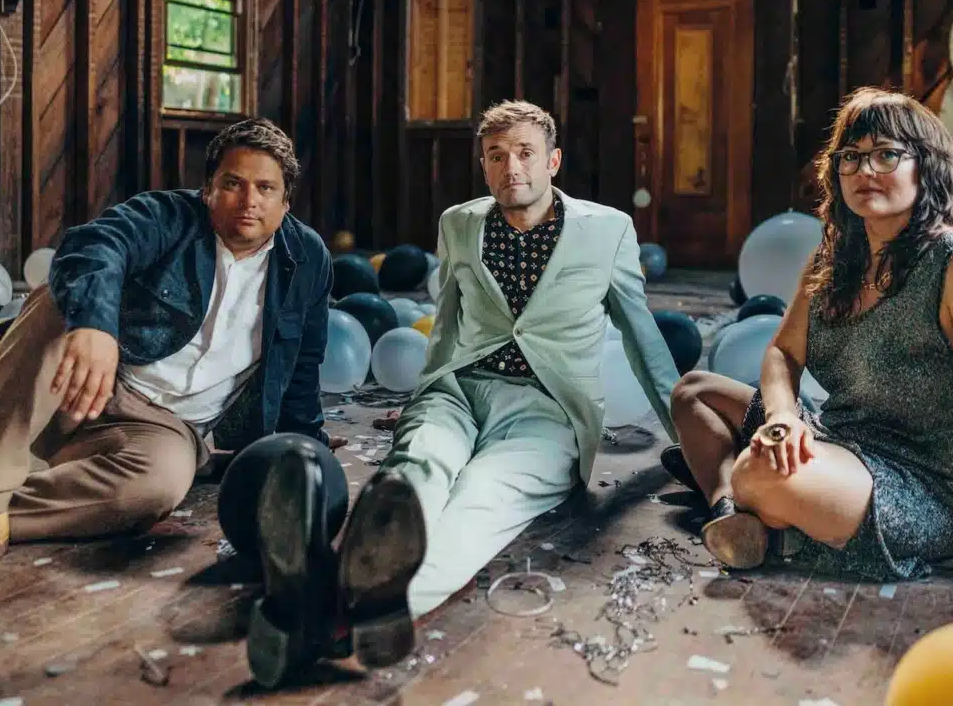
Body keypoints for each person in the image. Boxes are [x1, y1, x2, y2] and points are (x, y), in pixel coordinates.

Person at [245, 99, 681, 686]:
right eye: (497, 156)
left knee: (482, 498)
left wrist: (688, 439)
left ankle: (321, 607)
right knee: (414, 471)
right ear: (483, 165)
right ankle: (360, 602)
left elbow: (642, 338)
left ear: (552, 161)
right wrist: (424, 394)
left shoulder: (607, 230)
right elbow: (447, 322)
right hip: (457, 389)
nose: (511, 167)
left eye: (525, 153)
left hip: (547, 407)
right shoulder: (459, 223)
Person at [669, 86, 953, 577]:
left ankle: (761, 511)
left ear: (927, 166)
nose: (864, 170)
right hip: (835, 437)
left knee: (758, 473)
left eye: (885, 155)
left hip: (924, 483)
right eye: (850, 157)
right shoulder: (834, 259)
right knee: (693, 392)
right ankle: (732, 515)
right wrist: (783, 420)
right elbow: (783, 354)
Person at [0, 117, 337, 564]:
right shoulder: (167, 216)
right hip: (87, 384)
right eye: (233, 183)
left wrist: (307, 446)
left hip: (164, 429)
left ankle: (6, 517)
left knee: (159, 486)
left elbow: (302, 367)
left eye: (266, 188)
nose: (249, 200)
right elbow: (95, 245)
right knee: (62, 299)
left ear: (286, 202)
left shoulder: (308, 261)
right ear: (208, 189)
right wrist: (95, 326)